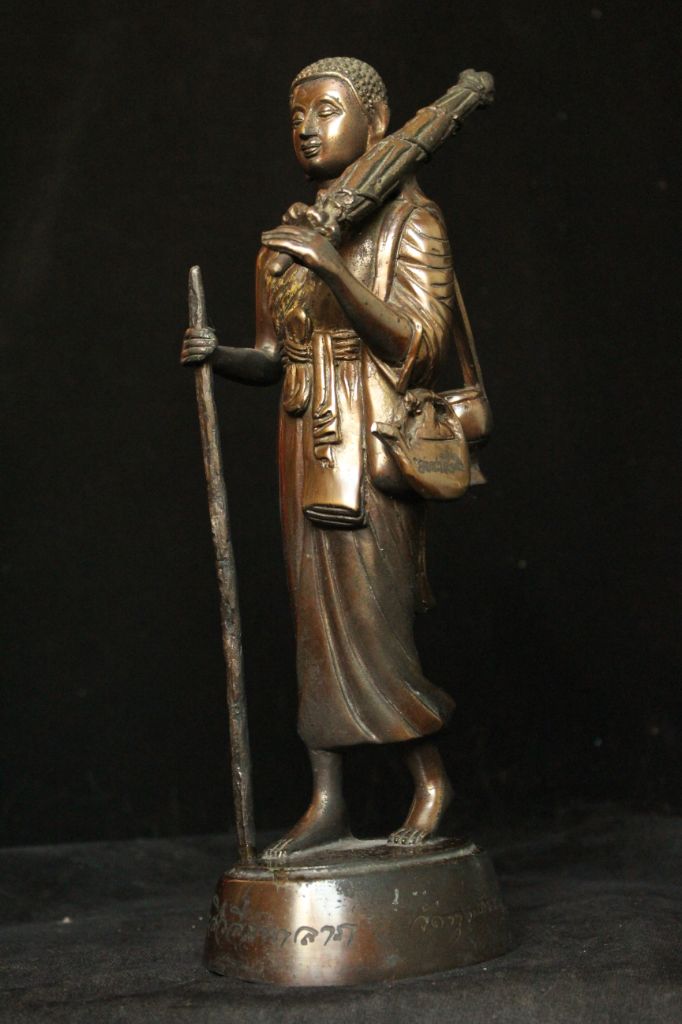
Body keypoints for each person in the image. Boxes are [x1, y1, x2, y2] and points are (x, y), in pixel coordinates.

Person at [182, 57, 461, 859]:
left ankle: (429, 782)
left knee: (375, 622)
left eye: (327, 110)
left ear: (376, 122)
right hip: (302, 436)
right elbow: (274, 356)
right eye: (297, 114)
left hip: (373, 440)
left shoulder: (412, 222)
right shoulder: (284, 241)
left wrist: (334, 266)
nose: (307, 128)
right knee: (313, 625)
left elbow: (422, 344)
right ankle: (327, 799)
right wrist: (219, 355)